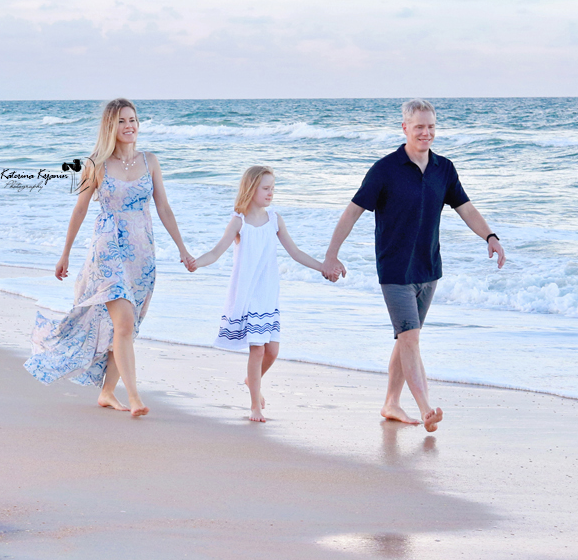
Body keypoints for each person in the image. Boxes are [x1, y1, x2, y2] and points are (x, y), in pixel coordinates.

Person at [322, 98, 505, 431]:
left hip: (428, 267)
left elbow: (466, 207)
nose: (426, 133)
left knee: (406, 337)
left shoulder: (443, 169)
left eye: (431, 126)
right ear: (404, 127)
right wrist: (331, 254)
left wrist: (490, 236)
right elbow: (351, 212)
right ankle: (425, 409)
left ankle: (391, 403)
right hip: (394, 270)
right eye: (419, 127)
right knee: (411, 338)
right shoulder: (385, 169)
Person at [24, 98, 195, 417]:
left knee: (128, 328)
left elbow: (164, 208)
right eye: (121, 121)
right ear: (110, 127)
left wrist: (183, 250)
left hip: (142, 253)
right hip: (107, 250)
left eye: (133, 119)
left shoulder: (151, 161)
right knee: (125, 323)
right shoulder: (95, 164)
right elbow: (80, 209)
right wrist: (65, 254)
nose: (129, 126)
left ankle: (106, 392)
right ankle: (134, 398)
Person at [194, 166, 334, 422]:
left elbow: (296, 253)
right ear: (251, 189)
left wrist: (323, 267)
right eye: (266, 188)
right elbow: (216, 252)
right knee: (257, 350)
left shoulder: (275, 219)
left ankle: (251, 380)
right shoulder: (239, 220)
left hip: (268, 293)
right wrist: (196, 262)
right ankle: (254, 407)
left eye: (273, 188)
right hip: (248, 293)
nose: (271, 193)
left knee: (273, 352)